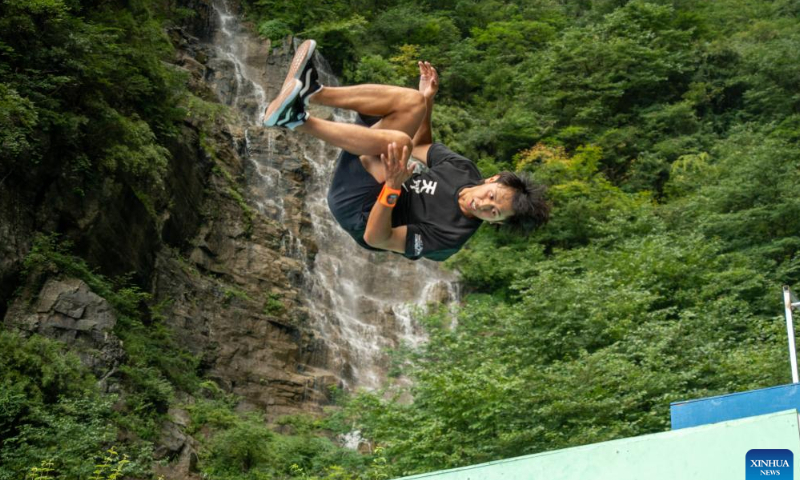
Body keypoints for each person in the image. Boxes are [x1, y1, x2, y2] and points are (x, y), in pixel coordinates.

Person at [263, 40, 550, 261]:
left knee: (400, 144)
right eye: (492, 197)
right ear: (492, 179)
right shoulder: (464, 170)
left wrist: (391, 187)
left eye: (494, 213)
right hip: (372, 164)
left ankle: (297, 120)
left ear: (497, 222)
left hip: (360, 209)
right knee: (413, 102)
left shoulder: (451, 238)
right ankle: (313, 91)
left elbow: (376, 238)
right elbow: (423, 144)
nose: (485, 206)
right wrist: (428, 101)